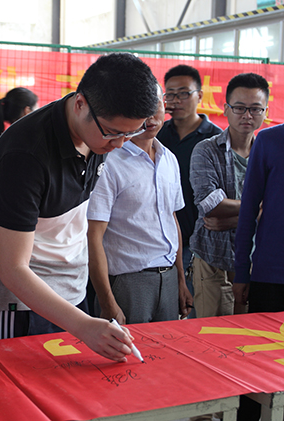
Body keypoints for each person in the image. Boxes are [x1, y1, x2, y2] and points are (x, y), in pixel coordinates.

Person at [0, 53, 159, 362]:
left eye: (130, 133)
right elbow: (13, 269)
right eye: (113, 132)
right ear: (80, 104)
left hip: (73, 291)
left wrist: (84, 320)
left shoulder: (98, 133)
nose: (119, 144)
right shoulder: (24, 154)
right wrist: (83, 326)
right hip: (24, 302)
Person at [87, 85, 192, 324]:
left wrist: (180, 279)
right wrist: (107, 301)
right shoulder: (109, 161)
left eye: (155, 105)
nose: (150, 117)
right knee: (127, 347)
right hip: (128, 282)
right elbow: (93, 235)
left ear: (165, 105)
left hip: (168, 278)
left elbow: (172, 220)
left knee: (168, 346)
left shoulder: (169, 159)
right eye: (140, 109)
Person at [189, 73, 269, 318]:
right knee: (214, 332)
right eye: (239, 108)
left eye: (255, 109)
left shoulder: (270, 153)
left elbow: (276, 208)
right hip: (214, 258)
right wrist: (258, 210)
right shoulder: (206, 150)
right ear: (226, 109)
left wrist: (236, 218)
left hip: (257, 261)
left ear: (265, 111)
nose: (247, 115)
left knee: (252, 332)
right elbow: (210, 204)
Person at [157, 65, 223, 316]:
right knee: (168, 314)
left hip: (203, 242)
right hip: (166, 240)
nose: (176, 100)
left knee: (198, 312)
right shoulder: (157, 136)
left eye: (184, 93)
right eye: (170, 94)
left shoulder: (215, 140)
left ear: (200, 96)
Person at [233, 123, 284, 421]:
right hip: (270, 276)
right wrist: (242, 271)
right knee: (255, 367)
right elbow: (248, 209)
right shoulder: (269, 140)